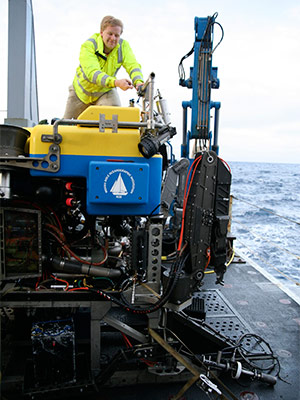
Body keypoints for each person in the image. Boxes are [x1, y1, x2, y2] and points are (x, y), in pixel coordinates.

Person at [63, 16, 144, 119]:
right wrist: (116, 83)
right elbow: (93, 73)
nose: (113, 38)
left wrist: (138, 81)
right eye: (110, 34)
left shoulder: (123, 46)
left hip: (105, 91)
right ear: (101, 32)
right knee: (65, 127)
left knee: (115, 118)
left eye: (116, 35)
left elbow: (133, 65)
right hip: (80, 94)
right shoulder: (88, 46)